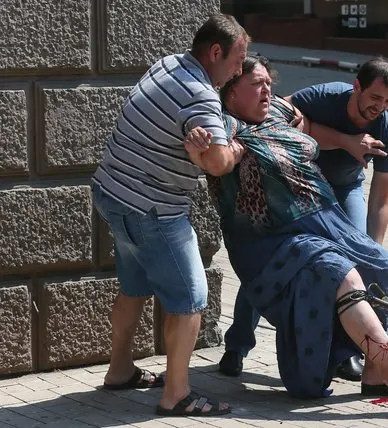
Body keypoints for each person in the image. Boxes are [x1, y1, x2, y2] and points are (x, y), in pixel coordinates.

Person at [185, 54, 388, 399]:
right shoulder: (229, 125)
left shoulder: (279, 111)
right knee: (335, 271)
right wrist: (199, 153)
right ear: (231, 92)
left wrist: (349, 142)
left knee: (381, 263)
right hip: (272, 234)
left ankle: (375, 371)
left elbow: (309, 129)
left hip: (322, 214)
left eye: (269, 83)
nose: (267, 90)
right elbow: (221, 163)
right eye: (256, 85)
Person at [91, 13, 248, 418]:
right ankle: (177, 394)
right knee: (190, 300)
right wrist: (233, 147)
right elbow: (216, 163)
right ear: (216, 52)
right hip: (153, 212)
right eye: (237, 60)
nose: (239, 70)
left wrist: (206, 144)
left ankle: (120, 370)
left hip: (114, 195)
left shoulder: (169, 64)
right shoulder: (200, 95)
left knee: (134, 287)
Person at [219, 57, 388, 384]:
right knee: (275, 266)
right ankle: (237, 346)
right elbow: (286, 121)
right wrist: (348, 141)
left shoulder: (386, 130)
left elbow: (380, 200)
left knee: (355, 264)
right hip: (291, 190)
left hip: (341, 191)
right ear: (356, 87)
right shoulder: (323, 96)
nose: (380, 108)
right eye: (375, 98)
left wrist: (368, 249)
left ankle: (346, 353)